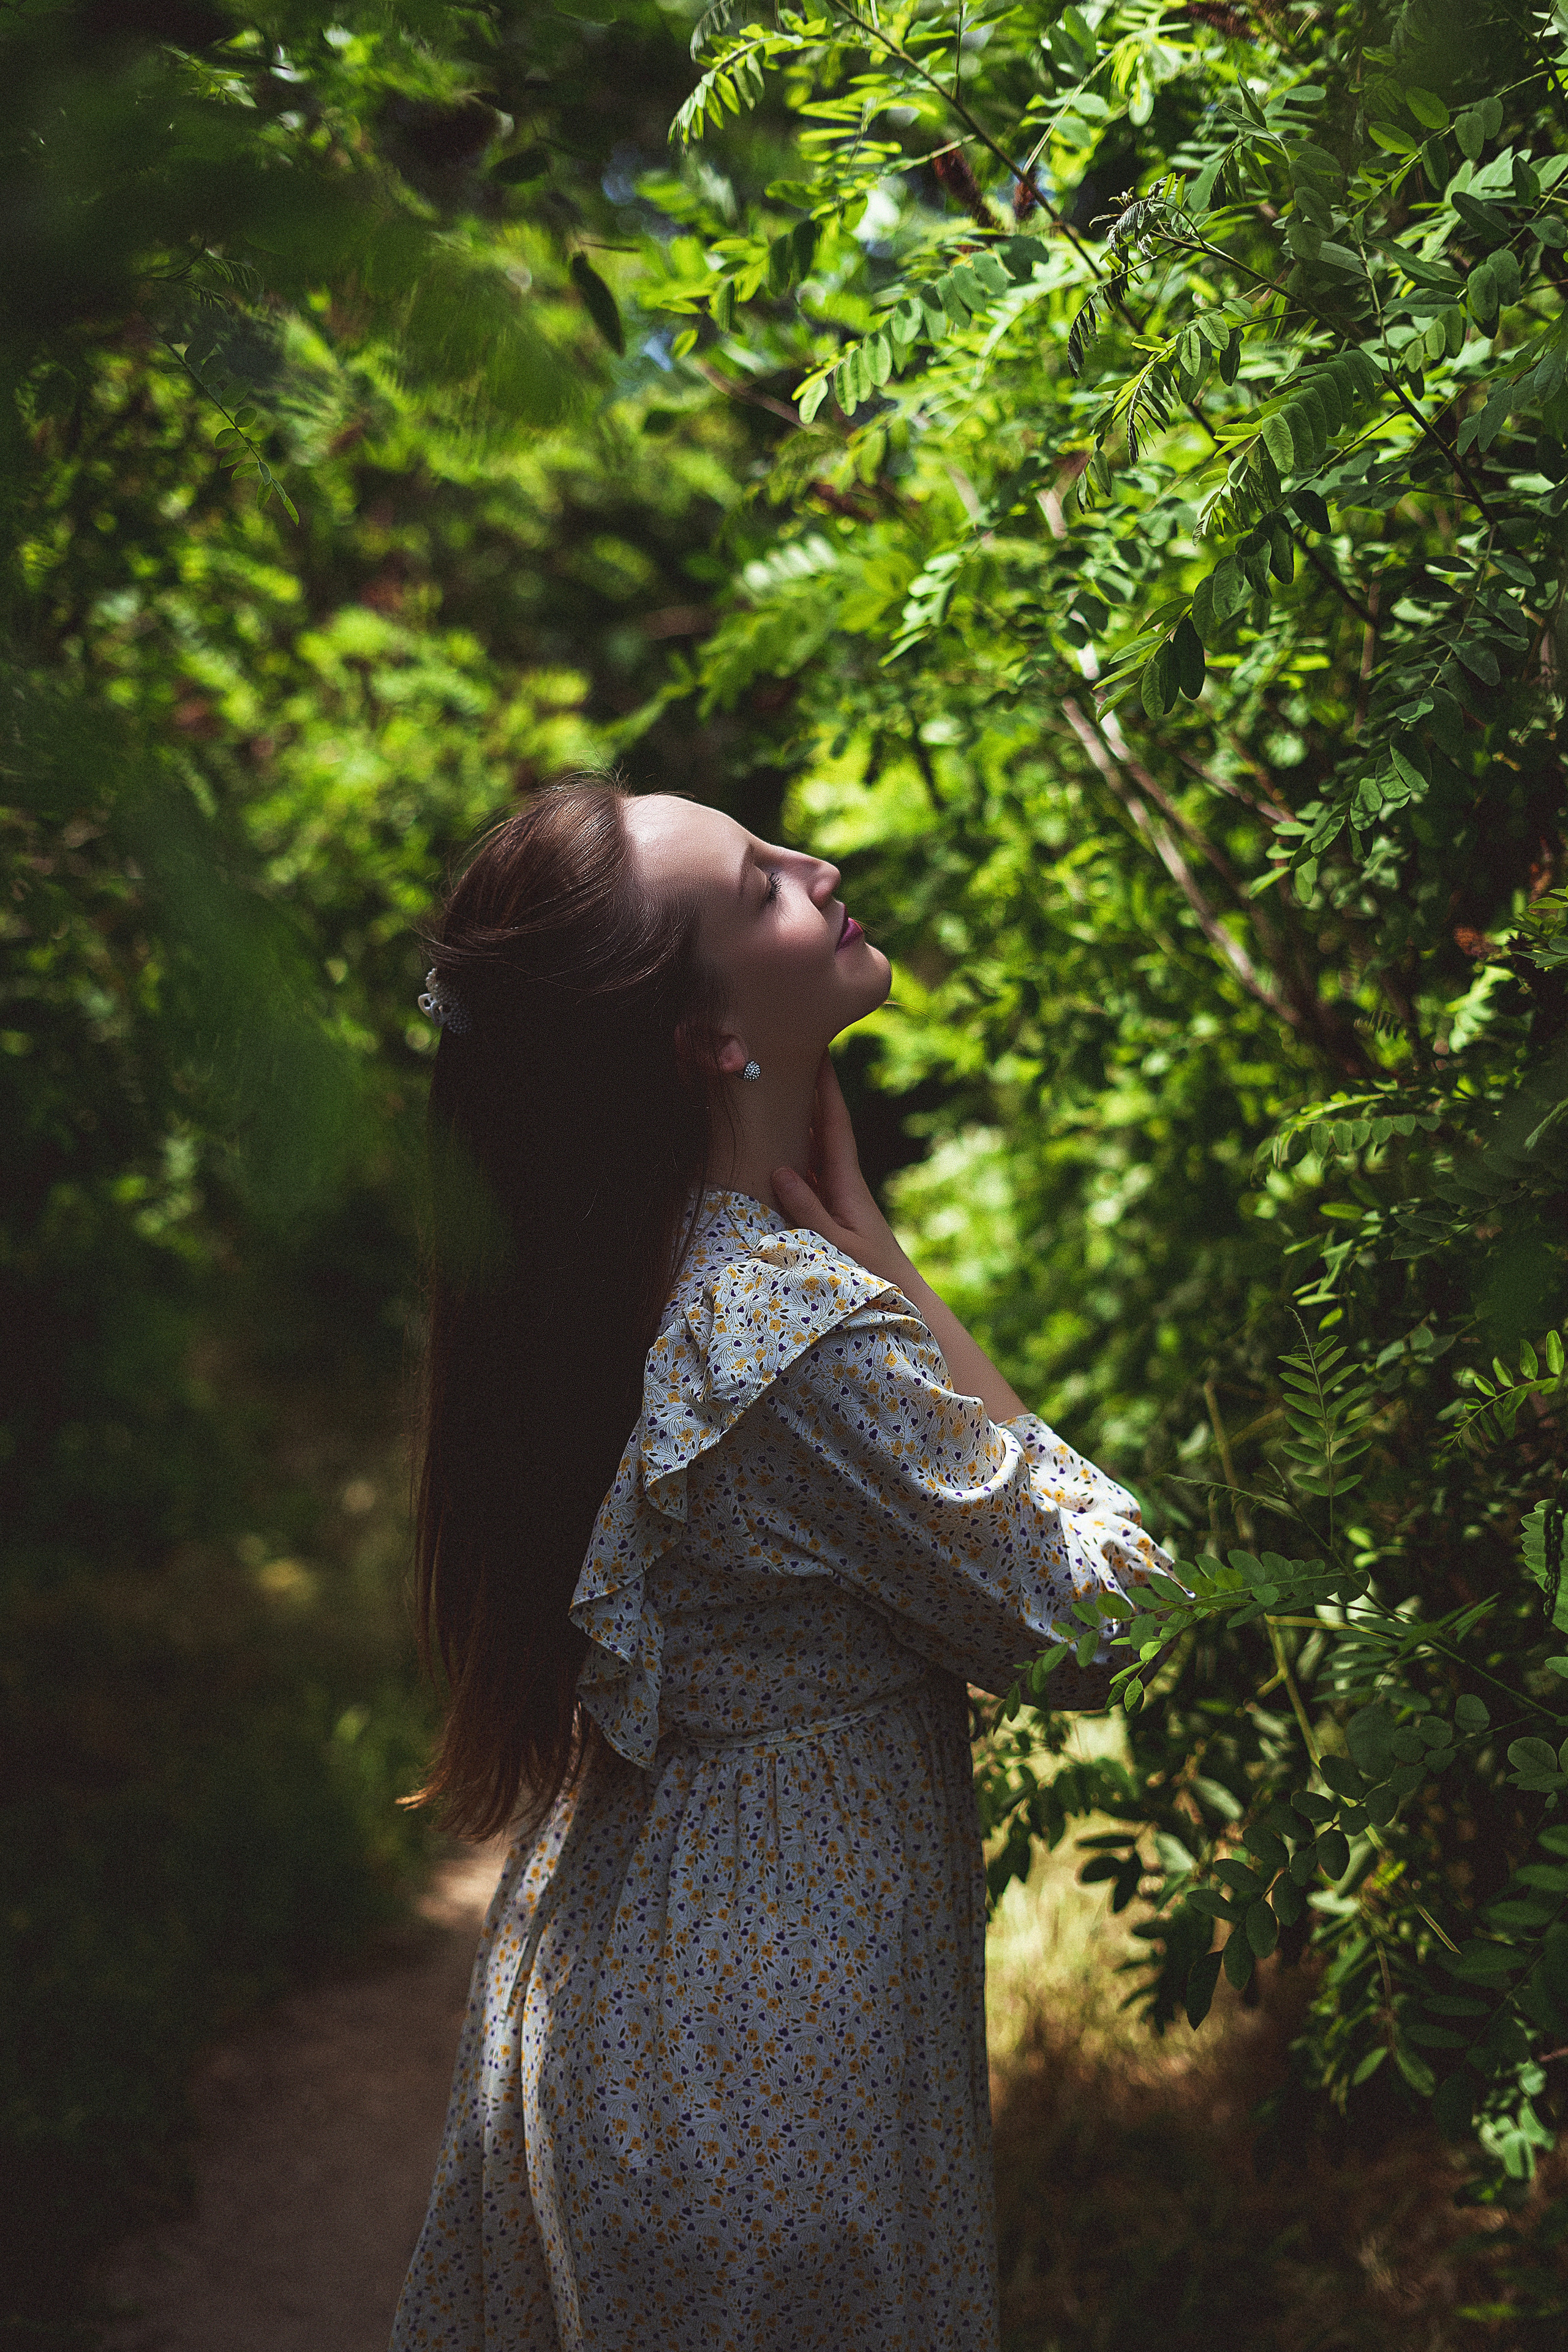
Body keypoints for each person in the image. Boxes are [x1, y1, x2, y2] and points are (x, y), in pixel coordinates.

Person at [390, 778, 1174, 2352]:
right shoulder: (781, 1332)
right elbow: (1115, 1612)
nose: (821, 870)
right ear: (705, 1038)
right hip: (766, 2072)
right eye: (760, 888)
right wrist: (881, 1260)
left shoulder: (618, 1266)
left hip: (618, 1998)